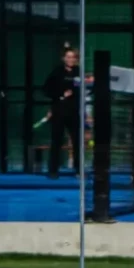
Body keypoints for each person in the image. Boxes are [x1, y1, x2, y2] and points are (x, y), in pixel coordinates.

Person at [41, 46, 82, 179]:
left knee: (77, 141)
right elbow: (46, 89)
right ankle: (53, 170)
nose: (71, 60)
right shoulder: (57, 72)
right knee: (57, 141)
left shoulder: (79, 72)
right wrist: (60, 95)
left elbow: (84, 90)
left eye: (73, 57)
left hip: (74, 111)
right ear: (64, 58)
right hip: (59, 111)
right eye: (68, 57)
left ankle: (79, 170)